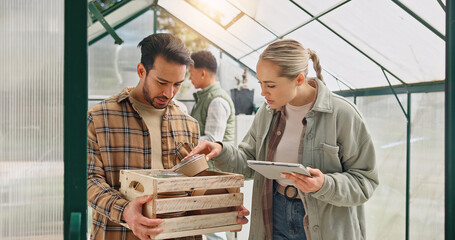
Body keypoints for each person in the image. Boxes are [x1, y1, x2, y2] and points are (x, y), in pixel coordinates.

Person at [188, 39, 379, 240]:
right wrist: (221, 150)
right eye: (260, 83)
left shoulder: (342, 114)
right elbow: (249, 160)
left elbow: (365, 180)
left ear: (298, 79)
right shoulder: (267, 111)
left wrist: (325, 184)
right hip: (274, 213)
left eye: (270, 85)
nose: (263, 92)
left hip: (326, 224)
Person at [87, 33, 248, 240]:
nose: (169, 93)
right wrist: (126, 210)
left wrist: (223, 205)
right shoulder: (100, 118)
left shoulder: (188, 124)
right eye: (161, 82)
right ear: (141, 71)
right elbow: (89, 180)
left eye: (177, 84)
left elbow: (193, 188)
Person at [189, 50, 235, 144]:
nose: (189, 78)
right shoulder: (204, 98)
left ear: (203, 74)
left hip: (214, 159)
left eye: (191, 73)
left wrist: (182, 140)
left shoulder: (217, 101)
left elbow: (212, 141)